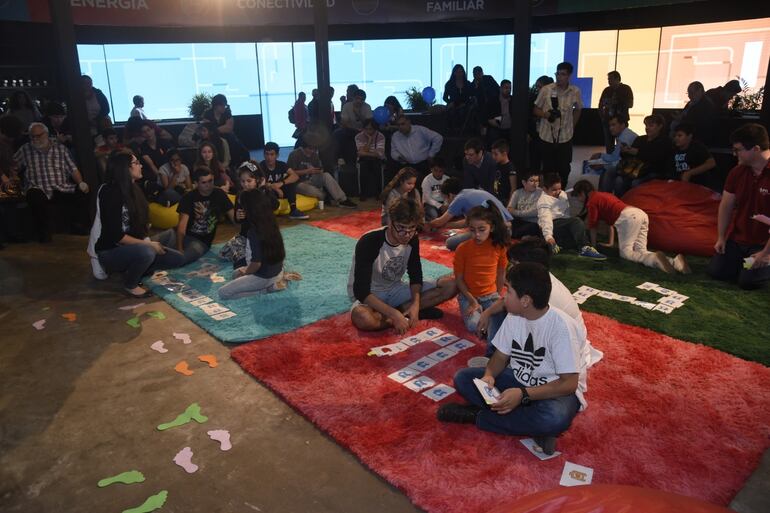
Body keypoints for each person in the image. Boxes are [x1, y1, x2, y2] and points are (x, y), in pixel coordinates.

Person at [438, 261, 587, 456]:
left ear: (525, 300)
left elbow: (569, 384)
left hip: (555, 392)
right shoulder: (514, 316)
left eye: (508, 291)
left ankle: (477, 416)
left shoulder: (561, 327)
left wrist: (523, 394)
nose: (503, 296)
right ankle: (531, 426)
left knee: (554, 417)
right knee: (463, 379)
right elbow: (500, 356)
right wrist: (489, 375)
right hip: (519, 381)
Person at [348, 197, 457, 333]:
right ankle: (403, 314)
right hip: (372, 294)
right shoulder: (370, 241)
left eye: (412, 228)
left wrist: (415, 304)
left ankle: (406, 311)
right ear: (390, 221)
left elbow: (415, 274)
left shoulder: (412, 237)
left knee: (451, 285)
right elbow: (361, 291)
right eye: (401, 228)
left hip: (395, 288)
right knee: (363, 318)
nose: (406, 235)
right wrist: (394, 314)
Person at [94, 150, 184, 297]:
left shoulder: (135, 189)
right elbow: (117, 236)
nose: (140, 166)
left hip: (134, 245)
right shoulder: (110, 192)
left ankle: (136, 268)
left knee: (177, 258)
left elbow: (141, 227)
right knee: (147, 252)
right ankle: (130, 284)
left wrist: (148, 241)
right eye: (136, 163)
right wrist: (149, 245)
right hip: (110, 252)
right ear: (125, 168)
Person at [572, 179, 688, 273]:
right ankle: (674, 262)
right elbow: (610, 224)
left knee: (626, 254)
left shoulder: (592, 201)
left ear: (582, 193)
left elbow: (593, 226)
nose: (579, 200)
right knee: (641, 250)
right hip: (640, 214)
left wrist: (593, 246)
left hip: (628, 218)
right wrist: (611, 243)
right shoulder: (603, 195)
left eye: (578, 196)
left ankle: (654, 259)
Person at [708, 123, 770, 290]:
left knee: (748, 282)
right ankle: (744, 264)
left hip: (763, 243)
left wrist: (766, 253)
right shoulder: (738, 172)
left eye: (738, 150)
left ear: (756, 149)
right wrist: (721, 237)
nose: (734, 154)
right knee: (717, 271)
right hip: (739, 239)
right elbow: (726, 205)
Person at [14, 122, 90, 242]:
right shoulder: (25, 149)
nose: (35, 139)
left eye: (38, 136)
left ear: (46, 134)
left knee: (81, 193)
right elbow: (13, 166)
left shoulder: (61, 149)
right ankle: (43, 233)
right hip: (37, 187)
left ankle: (78, 226)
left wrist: (80, 182)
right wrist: (11, 175)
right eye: (32, 136)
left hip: (61, 186)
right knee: (34, 198)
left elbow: (72, 169)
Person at [218, 188, 286, 300]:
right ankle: (272, 284)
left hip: (263, 276)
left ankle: (265, 290)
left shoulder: (254, 231)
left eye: (243, 207)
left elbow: (256, 264)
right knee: (235, 274)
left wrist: (246, 273)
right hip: (278, 271)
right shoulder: (271, 221)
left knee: (223, 293)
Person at [454, 205, 509, 336]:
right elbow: (459, 279)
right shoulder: (462, 248)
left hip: (491, 296)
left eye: (482, 230)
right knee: (474, 325)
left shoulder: (499, 247)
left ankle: (490, 325)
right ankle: (489, 325)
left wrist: (497, 294)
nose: (477, 234)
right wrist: (472, 301)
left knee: (506, 319)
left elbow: (501, 273)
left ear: (492, 228)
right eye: (472, 230)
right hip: (469, 297)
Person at [533, 62, 583, 187]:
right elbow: (535, 109)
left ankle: (561, 191)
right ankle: (548, 191)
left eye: (563, 74)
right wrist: (546, 115)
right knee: (547, 168)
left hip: (565, 136)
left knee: (564, 168)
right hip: (547, 136)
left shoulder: (575, 91)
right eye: (558, 74)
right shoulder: (546, 90)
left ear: (569, 76)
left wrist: (573, 125)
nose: (559, 77)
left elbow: (578, 109)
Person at [220, 161, 279, 265]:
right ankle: (250, 258)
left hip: (264, 235)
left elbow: (275, 205)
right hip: (246, 235)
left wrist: (263, 188)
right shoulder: (240, 195)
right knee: (224, 252)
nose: (245, 184)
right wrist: (238, 217)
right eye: (242, 181)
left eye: (249, 181)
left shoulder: (264, 192)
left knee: (257, 255)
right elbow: (238, 220)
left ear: (258, 180)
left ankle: (253, 259)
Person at [429, 178, 513, 251]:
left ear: (450, 195)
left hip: (494, 234)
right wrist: (445, 225)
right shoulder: (469, 192)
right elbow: (467, 222)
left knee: (450, 243)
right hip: (507, 231)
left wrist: (428, 224)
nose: (446, 201)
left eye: (445, 198)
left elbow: (439, 222)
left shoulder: (459, 199)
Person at [537, 173, 606, 259]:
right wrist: (548, 237)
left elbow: (570, 192)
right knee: (576, 221)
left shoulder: (562, 194)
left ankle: (558, 245)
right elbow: (546, 219)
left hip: (562, 226)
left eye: (559, 188)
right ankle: (583, 248)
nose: (558, 192)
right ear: (544, 189)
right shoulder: (544, 201)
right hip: (552, 226)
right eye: (554, 190)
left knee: (581, 231)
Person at [176, 166, 235, 264]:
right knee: (152, 244)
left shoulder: (219, 194)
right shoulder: (188, 197)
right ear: (196, 183)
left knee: (183, 258)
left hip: (201, 242)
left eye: (210, 181)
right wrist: (179, 248)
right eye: (204, 182)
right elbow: (181, 226)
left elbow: (234, 217)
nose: (208, 185)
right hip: (181, 235)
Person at [609, 113, 672, 197]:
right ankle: (612, 200)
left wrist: (637, 152)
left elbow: (657, 159)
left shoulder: (665, 141)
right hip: (635, 170)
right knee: (616, 178)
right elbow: (628, 157)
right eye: (646, 125)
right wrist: (625, 151)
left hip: (652, 172)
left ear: (660, 126)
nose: (647, 128)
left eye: (651, 125)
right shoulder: (640, 139)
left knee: (635, 183)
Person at [287, 140, 357, 208]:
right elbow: (290, 173)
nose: (312, 151)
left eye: (314, 149)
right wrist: (307, 171)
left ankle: (342, 199)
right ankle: (325, 198)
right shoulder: (294, 154)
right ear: (303, 147)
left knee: (326, 175)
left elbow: (320, 169)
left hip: (311, 179)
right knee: (319, 194)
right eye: (310, 149)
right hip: (299, 183)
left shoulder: (314, 155)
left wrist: (318, 171)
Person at [259, 141, 308, 220]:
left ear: (277, 155)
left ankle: (293, 210)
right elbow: (261, 184)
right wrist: (276, 188)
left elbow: (295, 176)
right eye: (267, 154)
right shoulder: (261, 166)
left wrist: (282, 183)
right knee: (266, 190)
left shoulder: (281, 165)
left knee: (290, 182)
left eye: (272, 154)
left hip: (281, 190)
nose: (269, 157)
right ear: (264, 155)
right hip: (270, 192)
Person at [589, 115, 637, 192]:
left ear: (622, 125)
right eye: (610, 125)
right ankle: (603, 195)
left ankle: (604, 196)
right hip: (626, 164)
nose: (611, 128)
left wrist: (603, 164)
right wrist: (600, 155)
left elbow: (618, 160)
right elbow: (615, 156)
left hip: (632, 167)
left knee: (607, 170)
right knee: (604, 167)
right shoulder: (624, 134)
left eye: (613, 125)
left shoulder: (625, 138)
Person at [390, 115, 443, 180]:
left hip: (423, 164)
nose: (401, 127)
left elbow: (438, 138)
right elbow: (393, 151)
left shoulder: (420, 130)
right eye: (398, 125)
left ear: (409, 122)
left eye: (403, 124)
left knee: (425, 183)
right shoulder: (395, 136)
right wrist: (399, 157)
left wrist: (431, 154)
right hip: (407, 166)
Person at [203, 93, 249, 167]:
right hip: (213, 138)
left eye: (225, 105)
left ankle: (251, 169)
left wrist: (215, 129)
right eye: (222, 105)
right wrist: (219, 129)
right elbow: (207, 130)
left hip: (228, 136)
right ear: (216, 105)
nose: (224, 107)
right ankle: (227, 167)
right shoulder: (207, 114)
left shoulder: (227, 112)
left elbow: (229, 128)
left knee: (244, 151)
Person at [671, 122, 716, 188]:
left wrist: (690, 173)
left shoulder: (697, 147)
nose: (676, 138)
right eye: (675, 136)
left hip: (698, 185)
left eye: (680, 136)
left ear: (689, 136)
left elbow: (711, 163)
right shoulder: (673, 148)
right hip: (679, 185)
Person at [598, 71, 634, 153]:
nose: (609, 81)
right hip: (608, 121)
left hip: (621, 121)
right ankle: (610, 158)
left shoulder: (626, 89)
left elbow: (631, 104)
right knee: (609, 144)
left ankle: (621, 158)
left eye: (611, 79)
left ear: (617, 79)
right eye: (608, 79)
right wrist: (602, 116)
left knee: (622, 143)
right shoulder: (607, 90)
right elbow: (600, 104)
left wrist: (618, 101)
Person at [528, 76, 554, 175]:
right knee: (534, 160)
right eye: (537, 86)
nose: (537, 89)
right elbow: (528, 117)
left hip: (548, 134)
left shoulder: (553, 100)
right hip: (535, 134)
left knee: (548, 162)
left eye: (540, 87)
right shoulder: (532, 99)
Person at [355, 119, 386, 201]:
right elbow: (361, 153)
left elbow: (380, 154)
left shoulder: (380, 136)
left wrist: (365, 153)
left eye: (370, 129)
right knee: (363, 166)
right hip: (364, 159)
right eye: (366, 129)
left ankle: (378, 193)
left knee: (376, 166)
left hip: (377, 159)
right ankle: (363, 193)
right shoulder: (358, 136)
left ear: (375, 129)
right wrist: (369, 140)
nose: (368, 131)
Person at [507, 172, 543, 239]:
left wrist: (516, 212)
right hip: (519, 221)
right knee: (506, 225)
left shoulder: (541, 193)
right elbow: (509, 209)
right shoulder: (517, 192)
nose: (535, 184)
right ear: (524, 182)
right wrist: (516, 213)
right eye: (531, 181)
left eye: (537, 181)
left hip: (534, 223)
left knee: (526, 229)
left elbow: (535, 212)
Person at [443, 64, 474, 134]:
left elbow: (472, 95)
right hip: (453, 105)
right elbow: (445, 97)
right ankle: (453, 131)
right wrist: (450, 103)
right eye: (457, 72)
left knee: (464, 111)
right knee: (452, 112)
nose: (459, 74)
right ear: (454, 73)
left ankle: (464, 132)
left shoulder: (468, 83)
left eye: (461, 72)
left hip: (465, 105)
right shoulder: (449, 84)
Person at [471, 66, 500, 132]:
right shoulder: (473, 84)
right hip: (481, 104)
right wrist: (476, 87)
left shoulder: (489, 78)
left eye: (479, 73)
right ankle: (485, 127)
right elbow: (473, 95)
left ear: (482, 73)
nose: (477, 76)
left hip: (493, 101)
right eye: (475, 74)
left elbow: (497, 88)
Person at [421, 156, 449, 222]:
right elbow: (428, 198)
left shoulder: (447, 179)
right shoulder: (427, 180)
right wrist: (440, 206)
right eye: (435, 170)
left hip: (444, 203)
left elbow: (448, 195)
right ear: (431, 169)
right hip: (430, 204)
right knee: (434, 215)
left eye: (440, 171)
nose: (438, 173)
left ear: (444, 170)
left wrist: (445, 205)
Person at [486, 79, 513, 145]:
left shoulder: (513, 100)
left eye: (510, 88)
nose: (508, 90)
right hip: (497, 128)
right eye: (506, 88)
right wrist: (491, 121)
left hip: (510, 128)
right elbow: (487, 115)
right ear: (500, 89)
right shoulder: (494, 100)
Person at [491, 138, 516, 204]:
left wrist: (509, 204)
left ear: (504, 154)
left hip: (505, 200)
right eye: (492, 154)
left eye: (496, 154)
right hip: (495, 198)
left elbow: (513, 188)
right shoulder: (496, 165)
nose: (493, 157)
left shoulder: (510, 168)